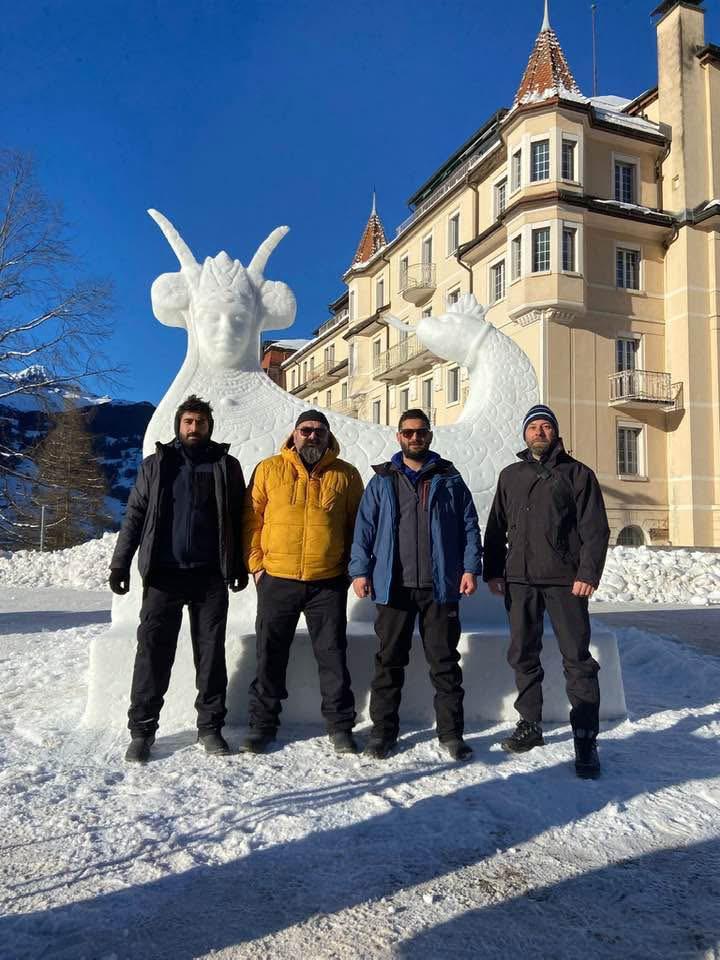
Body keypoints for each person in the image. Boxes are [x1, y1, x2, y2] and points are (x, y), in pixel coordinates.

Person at [109, 395, 248, 763]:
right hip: (163, 576)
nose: (194, 428)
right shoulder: (156, 465)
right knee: (152, 654)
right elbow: (135, 514)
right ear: (178, 425)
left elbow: (239, 519)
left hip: (209, 577)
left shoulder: (226, 465)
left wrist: (239, 566)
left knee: (210, 655)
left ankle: (210, 727)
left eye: (200, 422)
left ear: (209, 427)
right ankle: (142, 731)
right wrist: (119, 564)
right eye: (188, 421)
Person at [483, 404, 610, 778]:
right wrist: (494, 570)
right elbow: (495, 528)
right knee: (523, 653)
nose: (539, 432)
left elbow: (595, 530)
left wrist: (588, 573)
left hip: (565, 581)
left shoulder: (578, 474)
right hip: (519, 581)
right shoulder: (511, 475)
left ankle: (585, 738)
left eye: (546, 426)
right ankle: (530, 724)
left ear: (555, 433)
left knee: (577, 659)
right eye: (533, 427)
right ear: (524, 434)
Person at [350, 408, 483, 761]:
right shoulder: (382, 480)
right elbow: (364, 529)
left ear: (429, 435)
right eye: (408, 432)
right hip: (393, 586)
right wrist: (360, 572)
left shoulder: (450, 478)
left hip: (440, 588)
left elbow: (470, 527)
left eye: (421, 432)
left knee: (444, 663)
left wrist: (470, 568)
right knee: (389, 662)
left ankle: (452, 734)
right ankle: (382, 734)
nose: (415, 438)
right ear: (398, 437)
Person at [241, 409, 364, 755]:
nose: (312, 436)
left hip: (327, 582)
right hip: (277, 578)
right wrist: (256, 565)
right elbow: (251, 518)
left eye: (319, 431)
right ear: (293, 434)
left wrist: (352, 568)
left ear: (329, 436)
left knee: (333, 656)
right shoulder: (269, 469)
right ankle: (262, 725)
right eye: (306, 430)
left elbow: (359, 526)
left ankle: (340, 726)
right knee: (269, 654)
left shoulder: (347, 475)